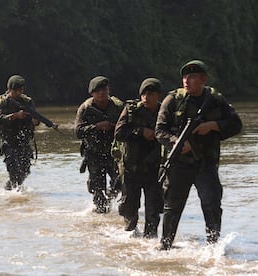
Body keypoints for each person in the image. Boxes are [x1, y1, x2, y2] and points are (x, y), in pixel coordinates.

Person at [155, 60, 243, 250]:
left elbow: (236, 124)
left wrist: (213, 126)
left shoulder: (215, 99)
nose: (187, 80)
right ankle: (165, 246)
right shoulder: (173, 99)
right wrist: (176, 142)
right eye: (185, 76)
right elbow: (159, 130)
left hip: (206, 163)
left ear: (203, 79)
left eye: (192, 76)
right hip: (179, 164)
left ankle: (213, 248)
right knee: (172, 208)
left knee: (211, 205)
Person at [114, 78, 164, 237]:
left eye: (150, 94)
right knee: (130, 209)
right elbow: (119, 134)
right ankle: (131, 239)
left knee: (153, 210)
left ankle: (150, 242)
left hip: (154, 169)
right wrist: (140, 131)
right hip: (131, 169)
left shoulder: (165, 112)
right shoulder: (131, 110)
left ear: (158, 96)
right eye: (143, 94)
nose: (146, 97)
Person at [75, 76, 124, 213]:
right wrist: (97, 127)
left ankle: (110, 198)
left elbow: (128, 127)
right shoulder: (85, 108)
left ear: (109, 90)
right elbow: (78, 132)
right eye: (97, 91)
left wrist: (113, 126)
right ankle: (100, 217)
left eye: (104, 89)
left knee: (120, 182)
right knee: (97, 190)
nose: (101, 93)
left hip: (114, 153)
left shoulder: (118, 106)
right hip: (94, 153)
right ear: (92, 93)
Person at [0, 75, 39, 191]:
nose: (20, 92)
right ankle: (12, 193)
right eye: (17, 90)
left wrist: (35, 121)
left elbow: (35, 118)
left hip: (23, 140)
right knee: (13, 170)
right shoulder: (3, 102)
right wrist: (15, 116)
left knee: (25, 170)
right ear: (11, 90)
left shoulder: (27, 101)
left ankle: (13, 189)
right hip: (8, 141)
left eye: (21, 89)